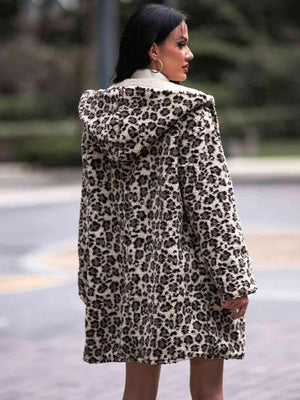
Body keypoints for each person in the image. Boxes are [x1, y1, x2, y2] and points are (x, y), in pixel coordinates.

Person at [77, 3, 258, 400]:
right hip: (196, 274)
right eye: (181, 43)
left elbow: (95, 212)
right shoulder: (192, 110)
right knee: (208, 392)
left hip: (131, 278)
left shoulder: (100, 112)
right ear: (153, 50)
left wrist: (97, 285)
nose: (190, 54)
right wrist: (233, 279)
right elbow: (212, 205)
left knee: (138, 393)